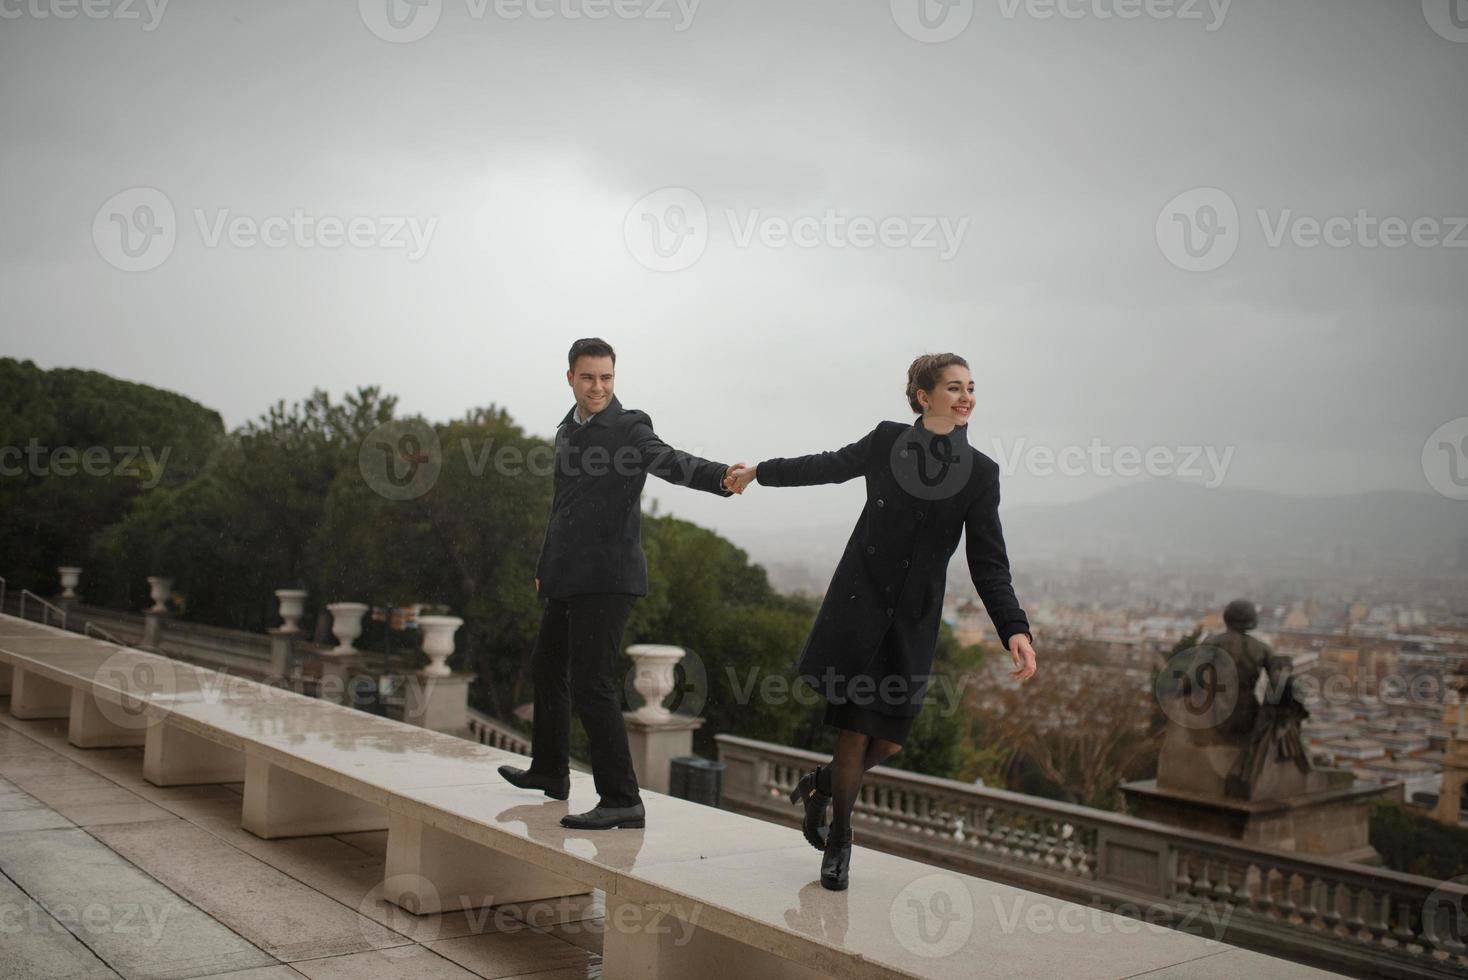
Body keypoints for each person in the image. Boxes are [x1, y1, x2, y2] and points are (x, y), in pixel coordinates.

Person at [724, 353, 1038, 889]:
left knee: (889, 741)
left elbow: (988, 559)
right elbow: (826, 465)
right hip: (860, 604)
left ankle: (821, 786)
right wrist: (760, 472)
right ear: (923, 396)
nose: (966, 398)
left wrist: (1014, 627)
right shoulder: (887, 441)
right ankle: (840, 843)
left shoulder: (981, 473)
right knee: (855, 729)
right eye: (954, 388)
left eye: (971, 388)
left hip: (914, 620)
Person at [498, 338, 741, 830]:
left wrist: (721, 477)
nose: (598, 387)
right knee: (547, 666)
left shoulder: (629, 427)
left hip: (609, 577)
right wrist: (546, 563)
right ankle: (550, 771)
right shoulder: (568, 429)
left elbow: (669, 460)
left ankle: (622, 799)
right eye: (588, 377)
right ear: (570, 377)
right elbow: (561, 507)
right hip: (567, 575)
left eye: (606, 378)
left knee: (593, 682)